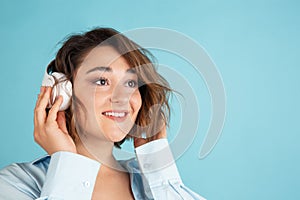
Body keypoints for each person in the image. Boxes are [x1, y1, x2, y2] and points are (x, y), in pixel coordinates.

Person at [0, 27, 205, 200]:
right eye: (102, 81)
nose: (122, 97)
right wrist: (66, 162)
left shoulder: (155, 179)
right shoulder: (15, 183)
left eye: (131, 83)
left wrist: (159, 168)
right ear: (62, 92)